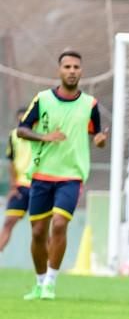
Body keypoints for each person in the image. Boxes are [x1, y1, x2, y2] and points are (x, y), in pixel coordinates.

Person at [18, 50, 108, 300]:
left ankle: (50, 282)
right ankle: (38, 282)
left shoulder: (90, 105)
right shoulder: (43, 99)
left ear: (81, 71)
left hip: (71, 176)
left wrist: (100, 141)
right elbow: (22, 130)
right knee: (38, 232)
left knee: (59, 224)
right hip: (42, 174)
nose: (72, 71)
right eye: (67, 66)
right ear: (59, 70)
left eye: (76, 67)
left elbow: (97, 137)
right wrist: (44, 136)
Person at [0, 108, 31, 254]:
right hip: (20, 188)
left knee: (40, 229)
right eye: (20, 120)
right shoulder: (14, 136)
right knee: (7, 223)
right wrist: (13, 186)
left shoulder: (41, 136)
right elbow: (11, 162)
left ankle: (49, 270)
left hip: (39, 187)